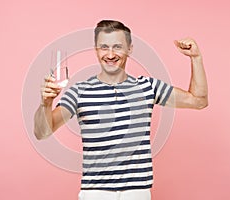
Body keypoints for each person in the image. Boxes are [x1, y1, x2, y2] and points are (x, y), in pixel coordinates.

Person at [34, 20, 208, 200]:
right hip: (95, 193)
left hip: (137, 193)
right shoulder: (79, 91)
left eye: (117, 46)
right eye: (104, 47)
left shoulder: (147, 87)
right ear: (96, 49)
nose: (110, 54)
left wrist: (196, 58)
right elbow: (42, 132)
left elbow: (199, 100)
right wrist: (45, 103)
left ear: (130, 49)